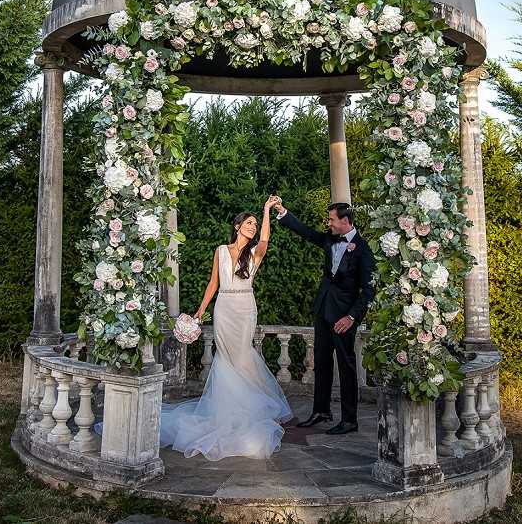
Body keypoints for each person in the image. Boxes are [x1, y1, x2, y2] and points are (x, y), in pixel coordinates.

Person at [159, 196, 292, 460]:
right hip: (223, 308)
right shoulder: (221, 250)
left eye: (255, 223)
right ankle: (226, 409)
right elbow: (212, 284)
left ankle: (246, 407)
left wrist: (267, 210)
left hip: (245, 308)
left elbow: (265, 240)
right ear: (238, 225)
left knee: (242, 355)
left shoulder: (254, 253)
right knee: (226, 357)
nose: (253, 227)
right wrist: (200, 311)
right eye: (249, 222)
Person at [275, 200, 375, 435]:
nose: (328, 223)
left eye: (331, 219)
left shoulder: (363, 249)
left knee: (347, 366)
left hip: (343, 317)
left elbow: (368, 290)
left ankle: (350, 420)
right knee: (321, 362)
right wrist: (283, 213)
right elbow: (307, 233)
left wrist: (351, 317)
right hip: (323, 310)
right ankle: (321, 411)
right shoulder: (330, 239)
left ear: (345, 221)